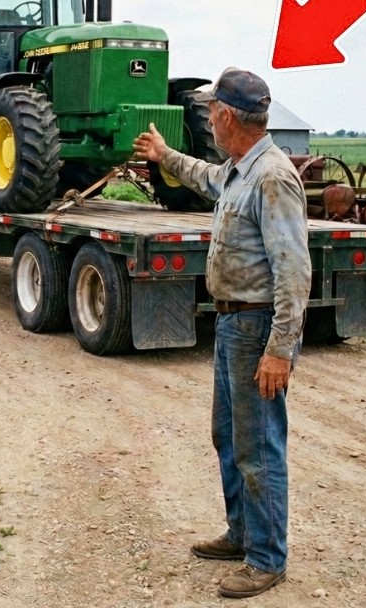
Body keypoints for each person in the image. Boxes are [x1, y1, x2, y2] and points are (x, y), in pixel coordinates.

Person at [133, 68, 310, 599]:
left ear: (227, 116)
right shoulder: (239, 170)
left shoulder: (273, 177)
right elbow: (205, 178)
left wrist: (279, 349)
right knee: (229, 436)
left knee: (258, 445)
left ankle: (266, 558)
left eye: (212, 111)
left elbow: (294, 271)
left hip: (257, 327)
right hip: (234, 322)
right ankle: (242, 533)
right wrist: (165, 156)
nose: (208, 119)